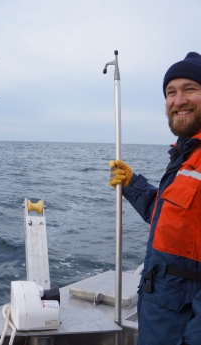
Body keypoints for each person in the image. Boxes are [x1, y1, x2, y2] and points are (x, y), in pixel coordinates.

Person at [109, 52, 201, 345]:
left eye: (190, 89)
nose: (179, 100)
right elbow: (174, 222)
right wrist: (132, 184)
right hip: (159, 321)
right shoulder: (185, 157)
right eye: (170, 92)